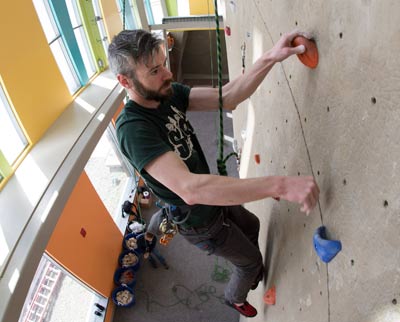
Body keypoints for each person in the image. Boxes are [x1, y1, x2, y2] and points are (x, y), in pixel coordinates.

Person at [108, 29, 320, 318]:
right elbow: (190, 189)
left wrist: (271, 56)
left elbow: (228, 96)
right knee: (249, 263)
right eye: (155, 70)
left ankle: (251, 266)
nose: (168, 74)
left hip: (213, 199)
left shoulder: (165, 93)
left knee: (253, 225)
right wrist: (279, 185)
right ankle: (234, 297)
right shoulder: (133, 129)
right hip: (198, 221)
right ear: (125, 81)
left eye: (163, 63)